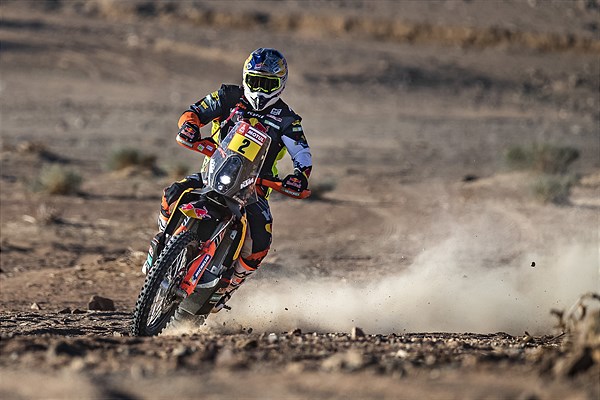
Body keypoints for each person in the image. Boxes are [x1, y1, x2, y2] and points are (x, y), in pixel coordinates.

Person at [142, 48, 312, 312]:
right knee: (172, 194)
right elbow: (194, 111)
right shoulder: (227, 97)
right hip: (212, 174)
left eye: (267, 84)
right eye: (255, 81)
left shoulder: (288, 120)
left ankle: (229, 285)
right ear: (245, 78)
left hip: (253, 189)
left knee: (261, 241)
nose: (260, 90)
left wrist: (300, 176)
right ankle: (163, 243)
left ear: (280, 84)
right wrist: (189, 126)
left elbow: (302, 153)